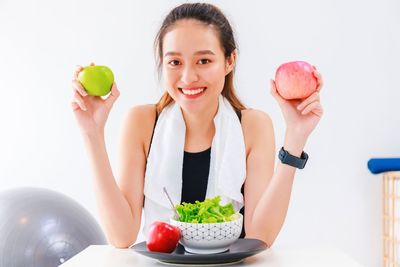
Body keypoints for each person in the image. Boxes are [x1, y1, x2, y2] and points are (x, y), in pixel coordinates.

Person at [70, 3, 323, 249]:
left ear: (229, 61)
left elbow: (261, 236)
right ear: (162, 62)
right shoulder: (142, 122)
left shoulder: (253, 126)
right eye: (175, 62)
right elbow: (121, 236)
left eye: (203, 61)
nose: (188, 77)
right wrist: (91, 133)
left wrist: (296, 135)